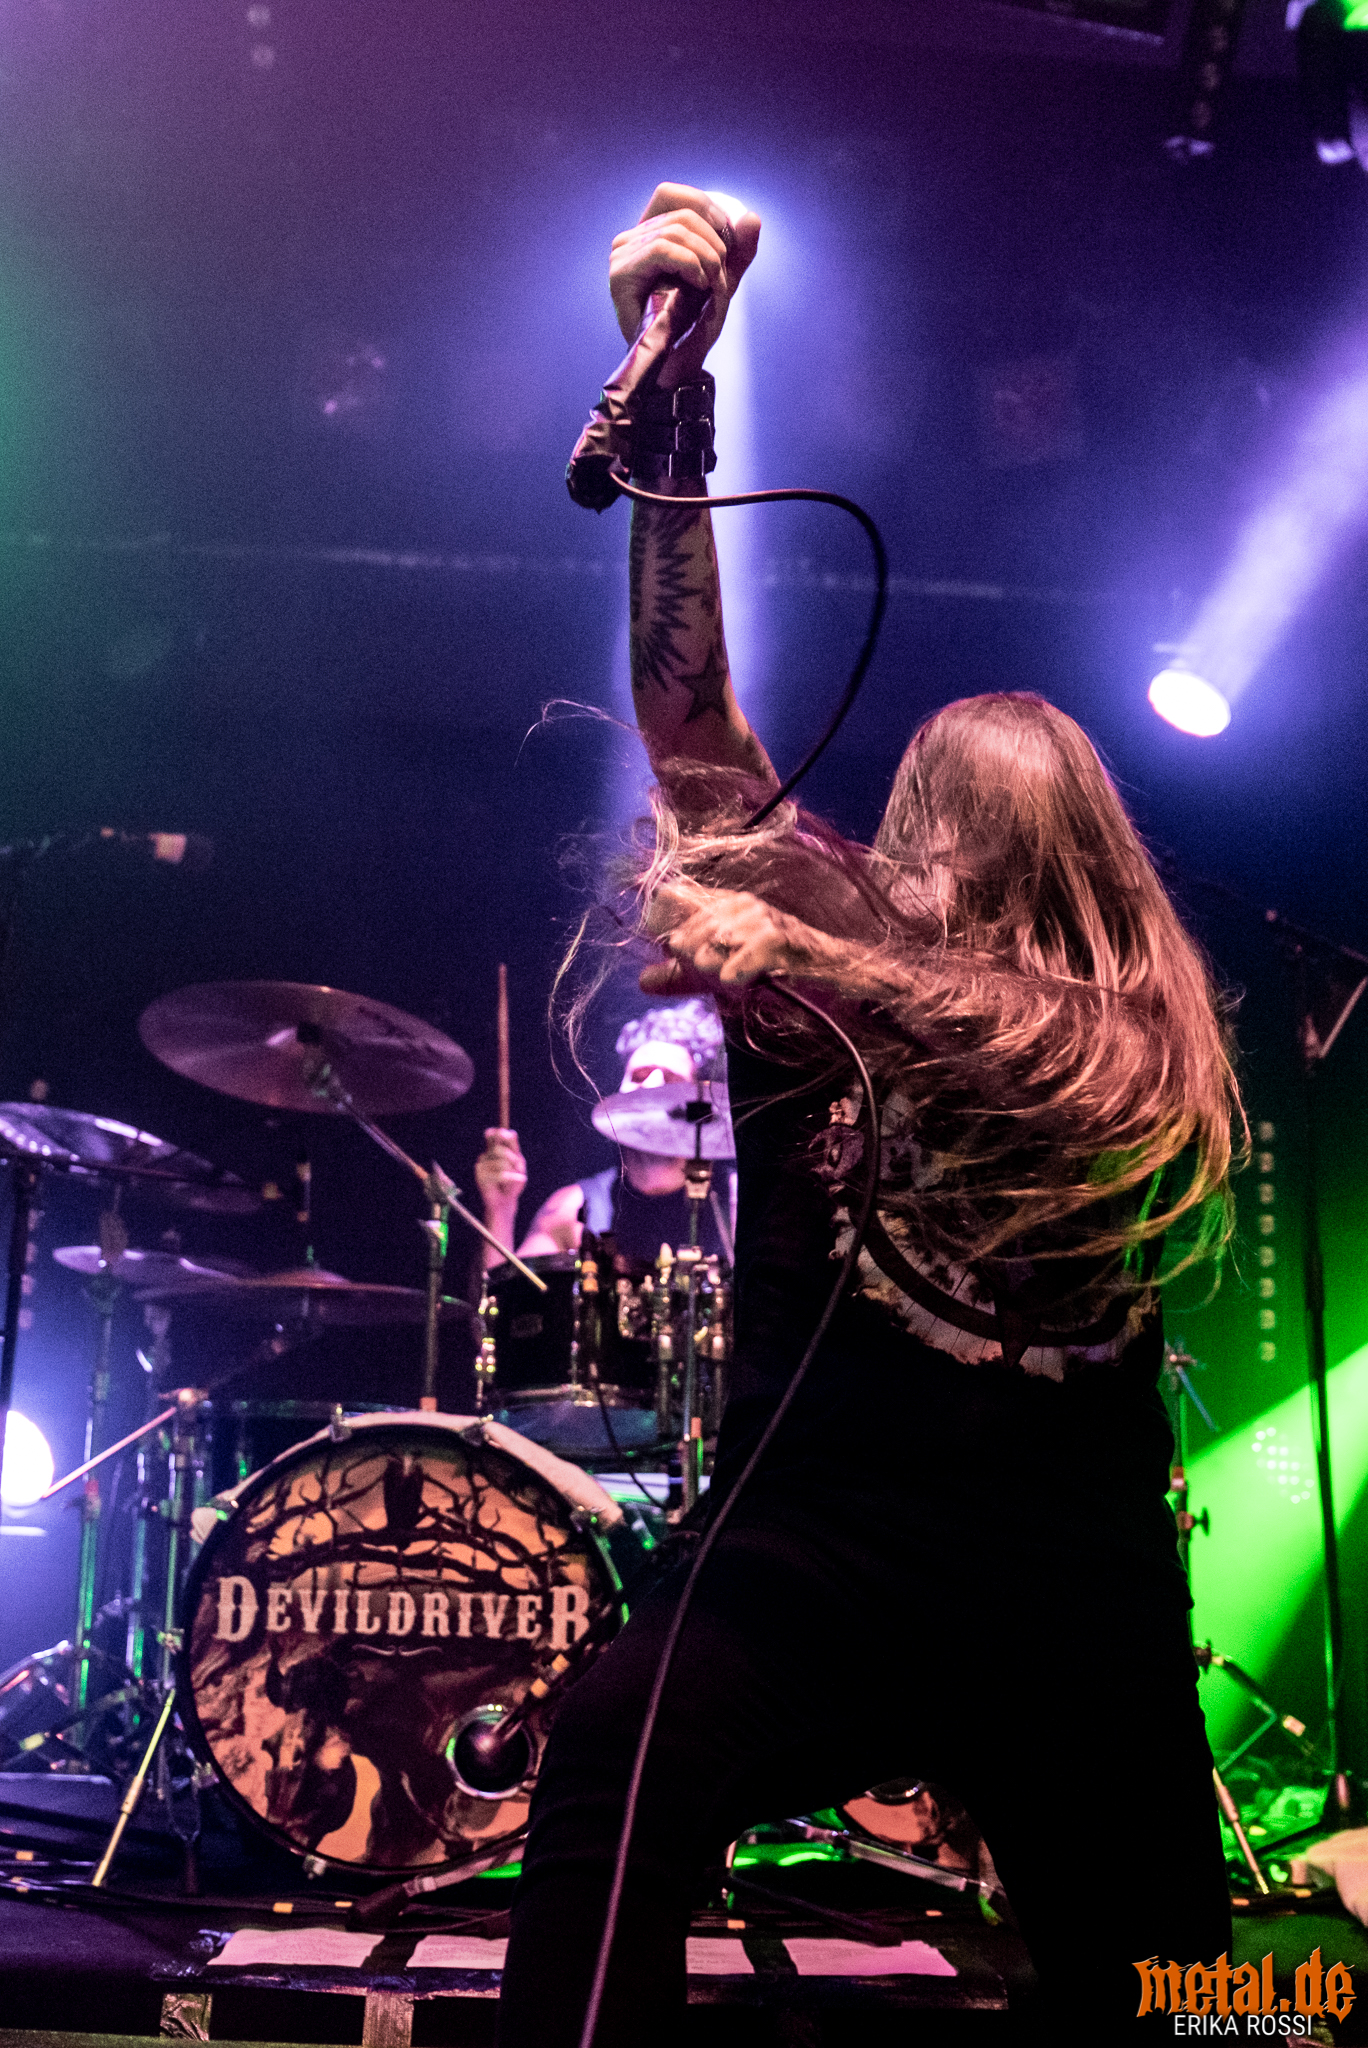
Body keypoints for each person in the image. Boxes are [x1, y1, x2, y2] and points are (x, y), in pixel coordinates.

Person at [496, 183, 1242, 2045]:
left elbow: (1066, 1064)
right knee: (614, 1744)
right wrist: (680, 414)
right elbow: (690, 727)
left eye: (963, 840)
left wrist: (809, 948)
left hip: (1066, 1576)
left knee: (1216, 1999)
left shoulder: (1133, 1027)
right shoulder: (835, 939)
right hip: (810, 1546)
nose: (927, 869)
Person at [473, 999, 732, 1267]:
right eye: (639, 1076)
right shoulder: (572, 1209)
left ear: (701, 1103)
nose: (651, 1086)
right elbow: (508, 1293)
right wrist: (501, 1209)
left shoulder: (740, 1205)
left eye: (670, 1078)